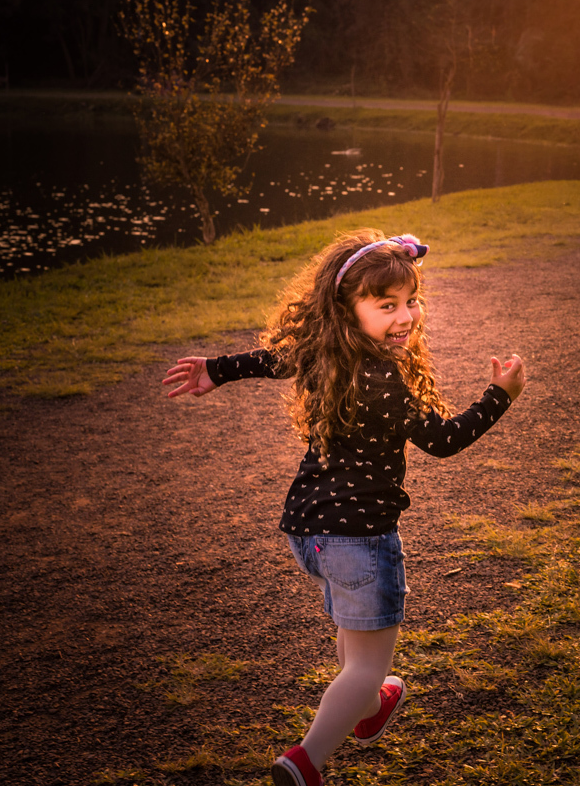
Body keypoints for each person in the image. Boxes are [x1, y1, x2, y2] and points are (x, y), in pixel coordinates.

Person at [162, 230, 525, 786]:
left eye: (410, 301)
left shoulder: (326, 352)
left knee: (358, 642)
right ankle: (305, 761)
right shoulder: (382, 379)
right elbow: (445, 440)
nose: (405, 315)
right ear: (347, 311)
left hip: (310, 533)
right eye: (386, 306)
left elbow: (272, 359)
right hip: (358, 539)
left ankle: (369, 704)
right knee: (366, 664)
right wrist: (499, 395)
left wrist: (217, 369)